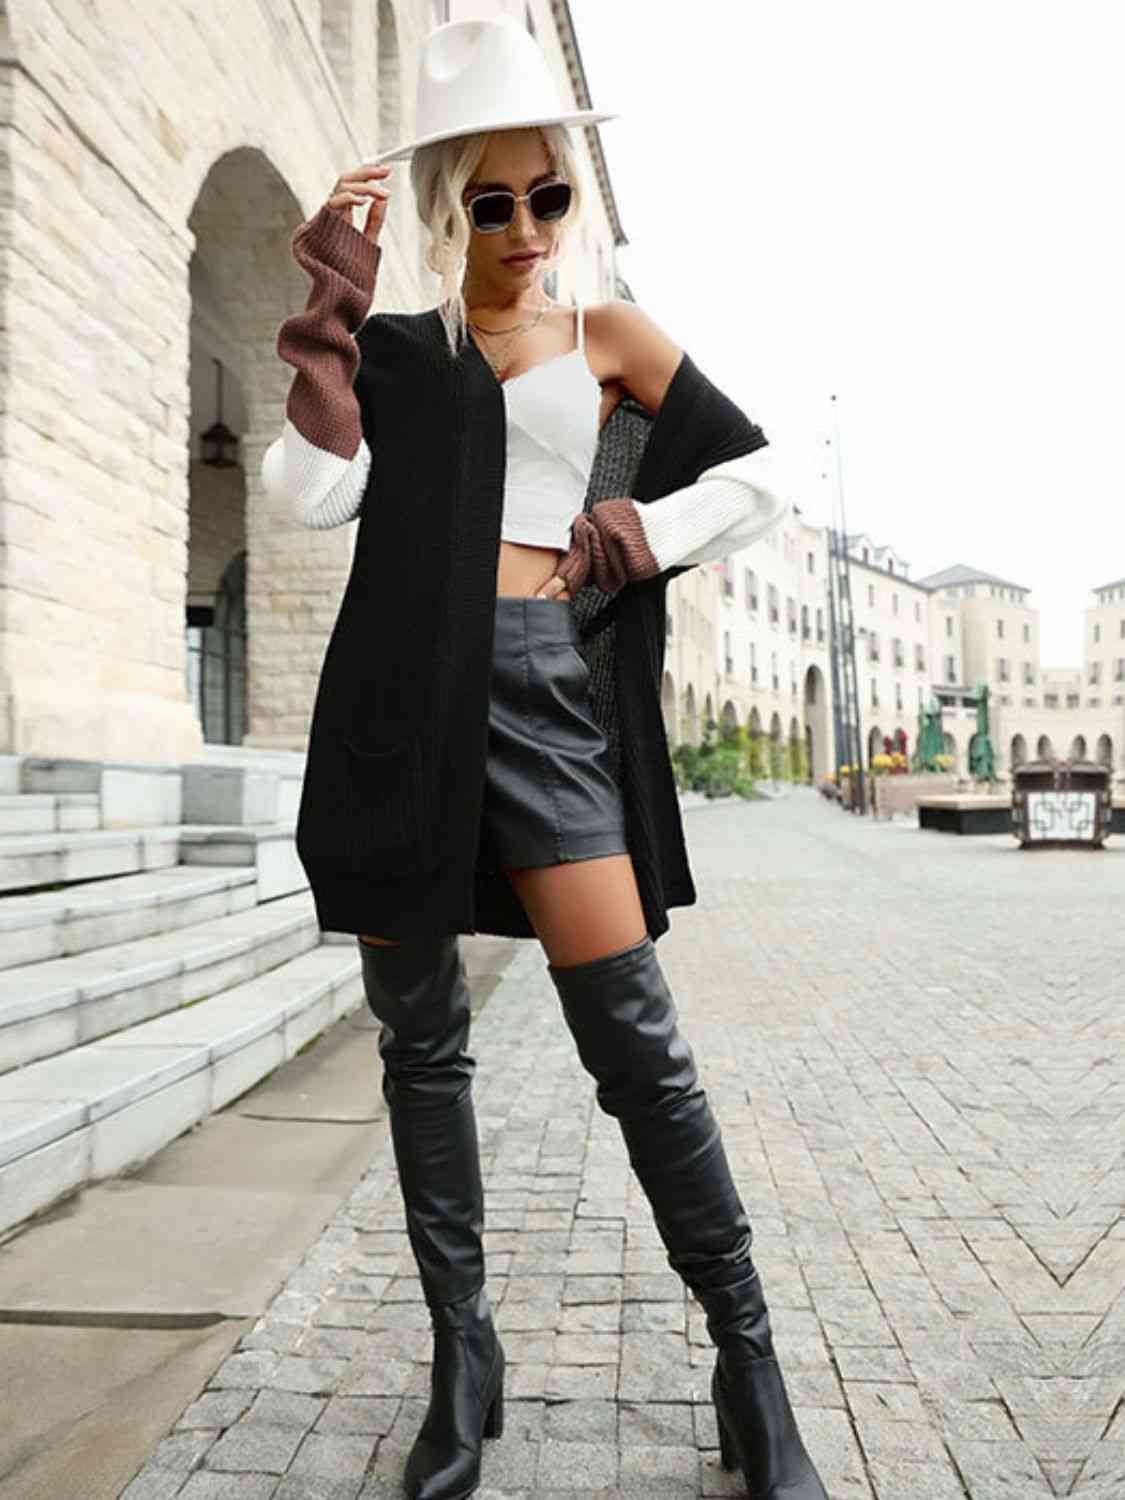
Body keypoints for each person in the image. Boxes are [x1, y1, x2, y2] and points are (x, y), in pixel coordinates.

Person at [262, 16, 827, 1500]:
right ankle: (464, 1355)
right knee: (420, 1046)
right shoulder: (398, 351)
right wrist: (332, 300)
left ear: (572, 194)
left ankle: (748, 1358)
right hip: (399, 702)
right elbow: (307, 495)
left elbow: (758, 475)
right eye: (494, 201)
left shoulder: (607, 338)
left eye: (550, 196)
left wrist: (642, 529)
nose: (527, 229)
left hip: (544, 694)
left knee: (637, 1043)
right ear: (449, 203)